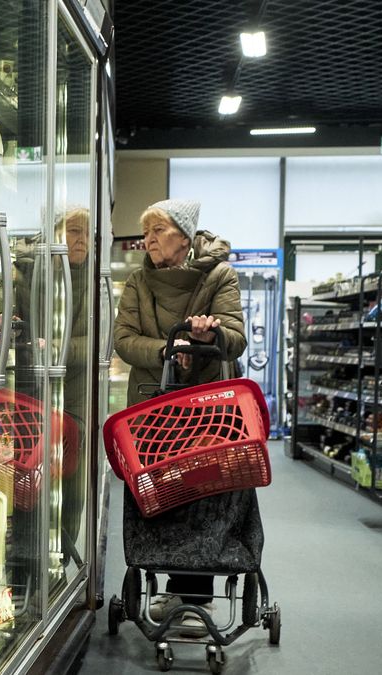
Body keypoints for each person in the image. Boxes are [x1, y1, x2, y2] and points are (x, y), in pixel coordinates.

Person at [112, 198, 256, 635]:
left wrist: (210, 334)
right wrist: (165, 350)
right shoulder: (139, 281)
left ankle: (193, 595)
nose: (149, 239)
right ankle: (166, 578)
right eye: (147, 231)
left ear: (184, 235)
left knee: (203, 492)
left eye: (157, 230)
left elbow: (236, 338)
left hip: (208, 409)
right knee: (157, 489)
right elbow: (123, 340)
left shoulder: (220, 276)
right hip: (152, 402)